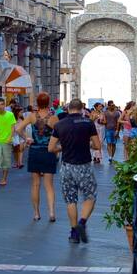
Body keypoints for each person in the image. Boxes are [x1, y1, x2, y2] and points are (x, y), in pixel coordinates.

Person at [48, 99, 101, 244]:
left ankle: (73, 233)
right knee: (90, 196)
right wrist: (86, 143)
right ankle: (82, 223)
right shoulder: (88, 123)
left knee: (71, 200)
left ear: (69, 109)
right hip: (84, 165)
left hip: (67, 166)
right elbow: (97, 146)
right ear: (81, 110)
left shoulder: (59, 124)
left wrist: (62, 147)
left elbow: (51, 148)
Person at [16, 92, 58, 222]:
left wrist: (27, 139)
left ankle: (36, 213)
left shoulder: (32, 116)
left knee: (35, 184)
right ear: (49, 103)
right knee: (49, 185)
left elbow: (18, 129)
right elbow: (59, 135)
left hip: (34, 151)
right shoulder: (54, 118)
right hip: (49, 152)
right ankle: (51, 212)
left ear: (37, 103)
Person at [0, 97, 17, 187]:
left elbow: (13, 128)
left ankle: (4, 179)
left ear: (5, 105)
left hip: (7, 140)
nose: (1, 106)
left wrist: (10, 138)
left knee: (6, 160)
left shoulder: (10, 115)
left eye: (2, 104)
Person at [11, 101, 25, 169]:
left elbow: (23, 129)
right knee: (16, 151)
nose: (22, 113)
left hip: (21, 136)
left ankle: (20, 163)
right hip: (15, 136)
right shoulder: (13, 120)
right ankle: (17, 162)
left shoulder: (22, 119)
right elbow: (13, 129)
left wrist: (25, 136)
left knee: (21, 150)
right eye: (21, 112)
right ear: (17, 112)